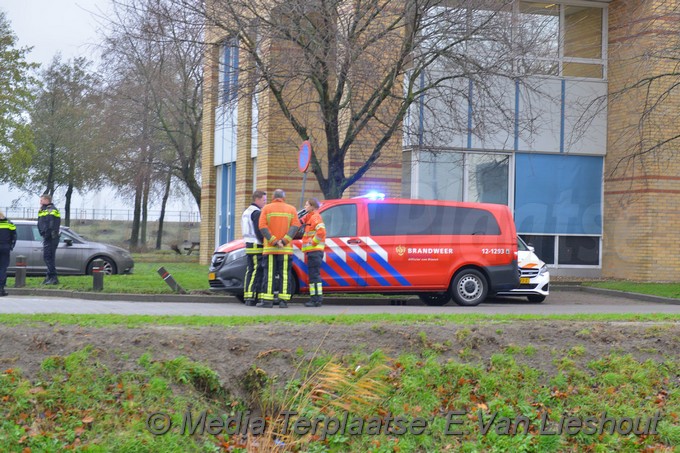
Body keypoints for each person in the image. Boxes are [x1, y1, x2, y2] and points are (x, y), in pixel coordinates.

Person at [257, 189, 301, 308]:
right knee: (285, 275)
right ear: (283, 197)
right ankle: (283, 301)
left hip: (270, 249)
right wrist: (284, 241)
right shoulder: (291, 209)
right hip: (285, 249)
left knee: (269, 274)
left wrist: (274, 241)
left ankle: (267, 301)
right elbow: (295, 226)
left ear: (273, 197)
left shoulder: (266, 208)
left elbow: (262, 226)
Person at [241, 190, 267, 306]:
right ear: (257, 199)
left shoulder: (247, 211)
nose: (265, 203)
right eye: (264, 200)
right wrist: (265, 242)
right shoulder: (256, 212)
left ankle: (248, 295)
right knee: (257, 270)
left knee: (250, 270)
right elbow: (258, 230)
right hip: (256, 244)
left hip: (248, 244)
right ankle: (252, 297)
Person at [300, 198, 326, 307]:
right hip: (313, 252)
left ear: (312, 206)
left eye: (306, 205)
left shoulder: (315, 217)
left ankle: (315, 299)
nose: (305, 207)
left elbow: (321, 232)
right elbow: (301, 221)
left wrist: (313, 242)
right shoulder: (310, 216)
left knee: (314, 276)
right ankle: (316, 298)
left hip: (315, 251)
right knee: (314, 276)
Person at [38, 194, 61, 285]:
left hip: (51, 237)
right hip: (47, 236)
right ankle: (49, 276)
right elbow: (41, 222)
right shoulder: (44, 209)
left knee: (48, 257)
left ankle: (53, 277)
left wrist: (46, 234)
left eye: (42, 200)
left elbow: (51, 224)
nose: (40, 202)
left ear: (47, 200)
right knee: (48, 257)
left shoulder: (51, 209)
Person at [0, 212, 17, 297]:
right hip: (5, 247)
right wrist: (11, 246)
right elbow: (14, 236)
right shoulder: (9, 223)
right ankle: (1, 289)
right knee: (3, 268)